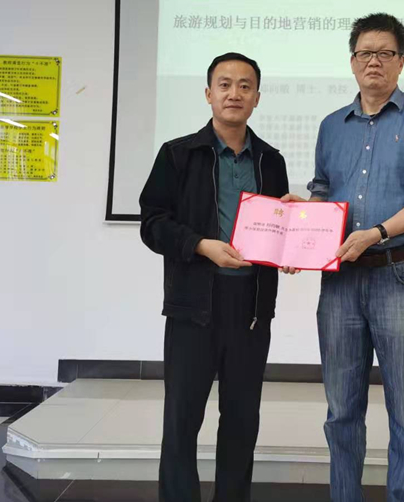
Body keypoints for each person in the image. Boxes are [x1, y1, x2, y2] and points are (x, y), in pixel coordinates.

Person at [282, 13, 404, 501]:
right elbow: (323, 192)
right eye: (365, 53)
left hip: (401, 274)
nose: (373, 61)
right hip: (340, 281)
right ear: (352, 61)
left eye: (385, 53)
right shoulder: (330, 126)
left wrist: (376, 233)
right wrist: (302, 222)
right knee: (341, 412)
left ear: (401, 61)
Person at [140, 52, 289, 502]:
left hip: (251, 309)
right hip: (193, 306)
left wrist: (292, 246)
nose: (234, 93)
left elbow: (277, 228)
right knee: (182, 420)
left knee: (242, 421)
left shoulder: (271, 160)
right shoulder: (178, 154)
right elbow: (152, 224)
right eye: (224, 84)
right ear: (209, 94)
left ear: (257, 97)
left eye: (245, 85)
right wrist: (201, 245)